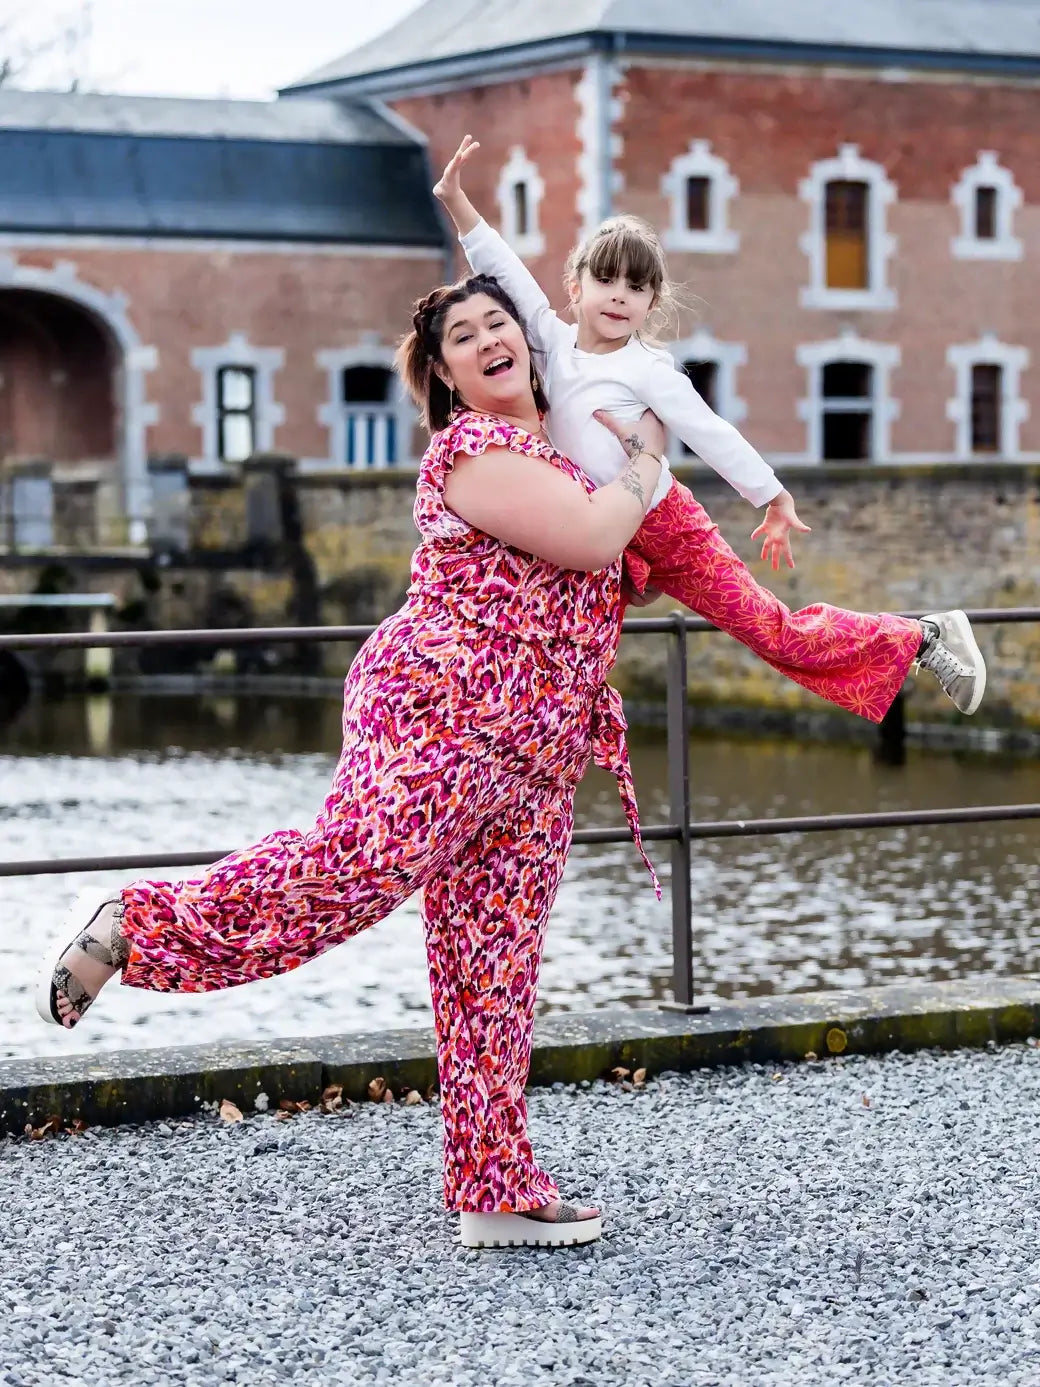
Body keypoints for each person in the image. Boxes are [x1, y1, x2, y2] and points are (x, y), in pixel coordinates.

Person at [36, 271, 670, 1251]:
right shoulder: (473, 449)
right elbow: (591, 541)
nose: (488, 338)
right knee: (352, 872)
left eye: (500, 320)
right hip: (442, 720)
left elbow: (600, 567)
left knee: (492, 971)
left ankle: (493, 1185)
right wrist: (649, 462)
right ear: (449, 375)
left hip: (537, 753)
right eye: (464, 335)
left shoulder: (566, 452)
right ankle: (140, 923)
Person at [434, 135, 987, 723]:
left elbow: (711, 430)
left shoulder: (648, 369)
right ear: (576, 287)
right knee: (572, 636)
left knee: (774, 632)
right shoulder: (551, 340)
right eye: (607, 282)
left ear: (652, 304)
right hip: (608, 529)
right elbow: (505, 270)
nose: (620, 297)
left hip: (667, 526)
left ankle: (922, 635)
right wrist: (456, 201)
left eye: (637, 288)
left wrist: (769, 495)